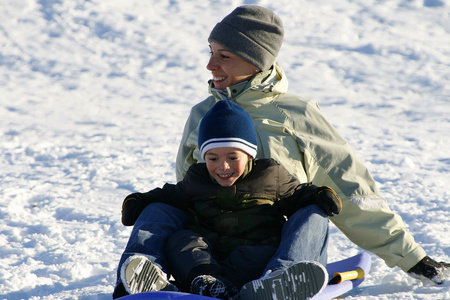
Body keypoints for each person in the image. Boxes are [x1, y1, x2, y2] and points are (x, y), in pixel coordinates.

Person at [113, 4, 449, 299]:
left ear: (255, 59)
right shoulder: (203, 114)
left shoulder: (295, 114)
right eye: (210, 52)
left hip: (273, 246)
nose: (210, 65)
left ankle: (281, 280)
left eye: (223, 56)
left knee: (317, 207)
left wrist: (411, 257)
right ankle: (140, 278)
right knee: (161, 205)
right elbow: (189, 190)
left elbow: (350, 189)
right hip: (211, 252)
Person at [116, 100, 342, 300]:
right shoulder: (197, 178)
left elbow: (298, 194)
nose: (223, 167)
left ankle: (281, 280)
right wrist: (141, 201)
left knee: (312, 212)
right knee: (181, 237)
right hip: (206, 264)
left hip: (258, 260)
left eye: (233, 157)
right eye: (213, 158)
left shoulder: (270, 174)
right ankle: (151, 281)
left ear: (250, 154)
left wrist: (318, 195)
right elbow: (169, 196)